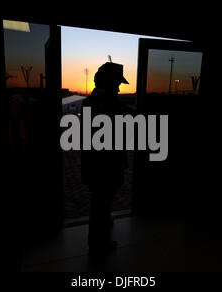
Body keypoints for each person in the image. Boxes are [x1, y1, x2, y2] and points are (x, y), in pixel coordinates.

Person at [81, 62, 129, 253]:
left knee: (101, 203)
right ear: (108, 83)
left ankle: (100, 236)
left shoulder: (90, 103)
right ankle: (98, 244)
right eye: (116, 83)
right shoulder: (108, 107)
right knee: (101, 205)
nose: (118, 88)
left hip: (96, 166)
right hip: (105, 168)